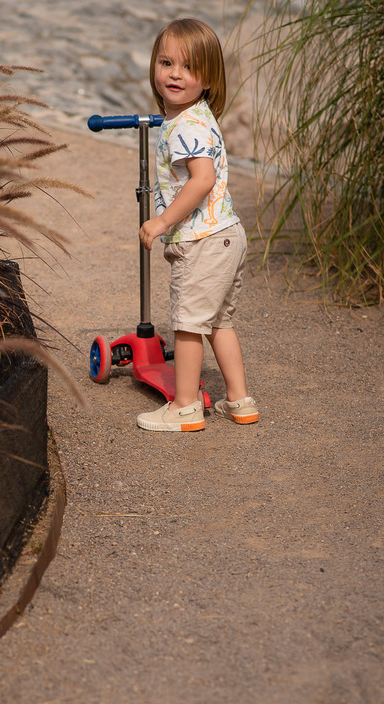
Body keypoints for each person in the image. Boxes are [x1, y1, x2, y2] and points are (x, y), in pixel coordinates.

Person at [134, 18, 259, 432]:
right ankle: (240, 400)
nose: (175, 74)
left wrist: (162, 220)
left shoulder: (185, 125)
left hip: (203, 240)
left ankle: (185, 407)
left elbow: (202, 179)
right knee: (219, 320)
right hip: (227, 235)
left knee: (188, 324)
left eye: (188, 68)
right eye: (167, 62)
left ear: (208, 79)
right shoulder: (198, 115)